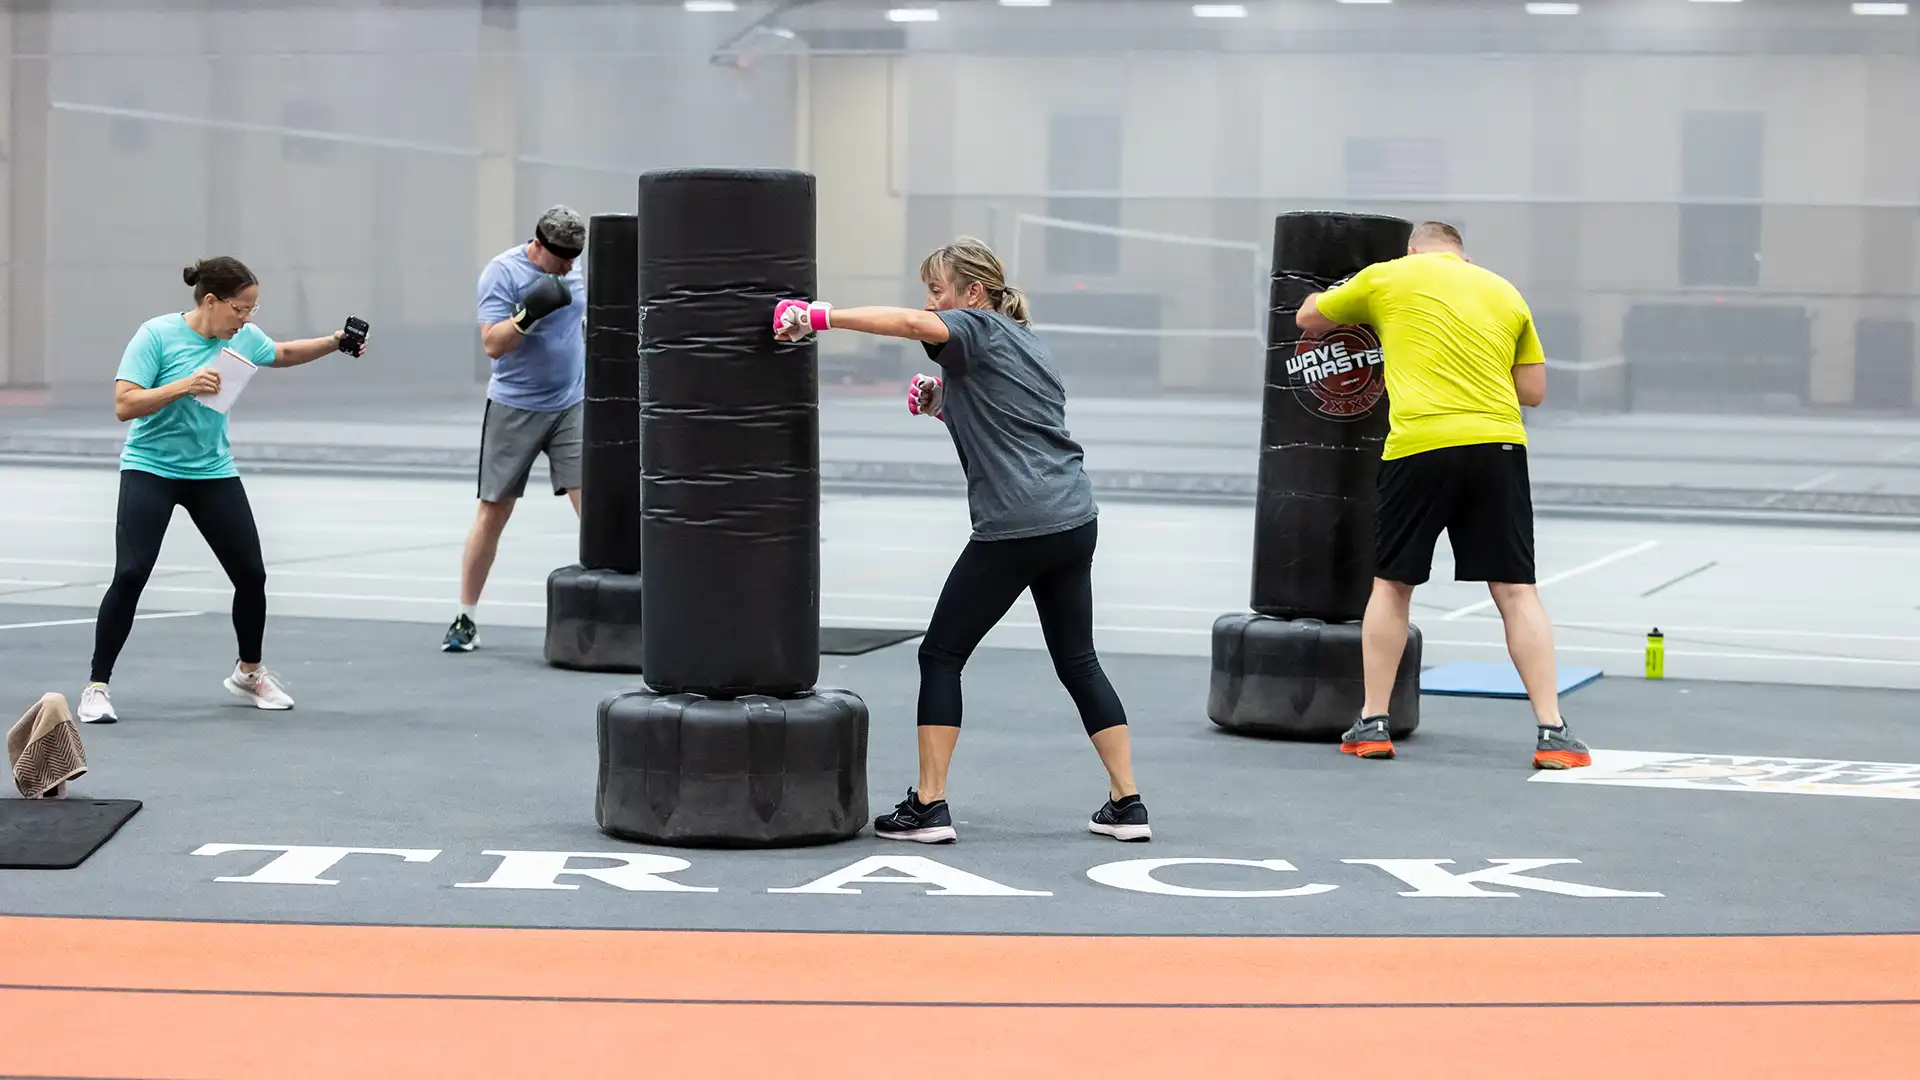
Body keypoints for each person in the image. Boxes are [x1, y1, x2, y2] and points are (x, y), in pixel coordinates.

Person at [773, 237, 1150, 844]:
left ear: (973, 295)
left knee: (940, 655)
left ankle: (929, 804)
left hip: (1018, 526)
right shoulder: (1028, 340)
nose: (930, 303)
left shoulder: (972, 326)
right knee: (1079, 661)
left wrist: (819, 315)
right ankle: (1128, 803)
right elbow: (1016, 420)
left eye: (938, 290)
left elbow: (905, 323)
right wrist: (945, 405)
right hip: (1074, 519)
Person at [1295, 220, 1590, 770]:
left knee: (1392, 584)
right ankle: (1554, 732)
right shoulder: (1503, 290)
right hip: (1498, 445)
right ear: (1462, 253)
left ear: (1413, 249)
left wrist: (1331, 289)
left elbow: (1308, 318)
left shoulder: (1387, 276)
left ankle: (1373, 724)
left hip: (1420, 446)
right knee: (1517, 591)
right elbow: (1534, 392)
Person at [77, 256, 367, 724]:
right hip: (151, 468)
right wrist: (184, 385)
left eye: (253, 309)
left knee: (251, 575)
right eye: (241, 309)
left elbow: (284, 353)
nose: (247, 319)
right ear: (211, 301)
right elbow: (124, 404)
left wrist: (336, 342)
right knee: (130, 573)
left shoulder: (244, 338)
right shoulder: (155, 335)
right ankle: (96, 686)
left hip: (211, 472)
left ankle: (249, 673)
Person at [444, 205, 587, 653]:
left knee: (596, 510)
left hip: (571, 404)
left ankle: (622, 614)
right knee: (494, 511)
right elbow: (492, 345)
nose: (568, 267)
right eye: (561, 258)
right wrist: (528, 315)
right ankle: (465, 618)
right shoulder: (501, 274)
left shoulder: (577, 271)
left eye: (574, 258)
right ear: (538, 246)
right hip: (516, 406)